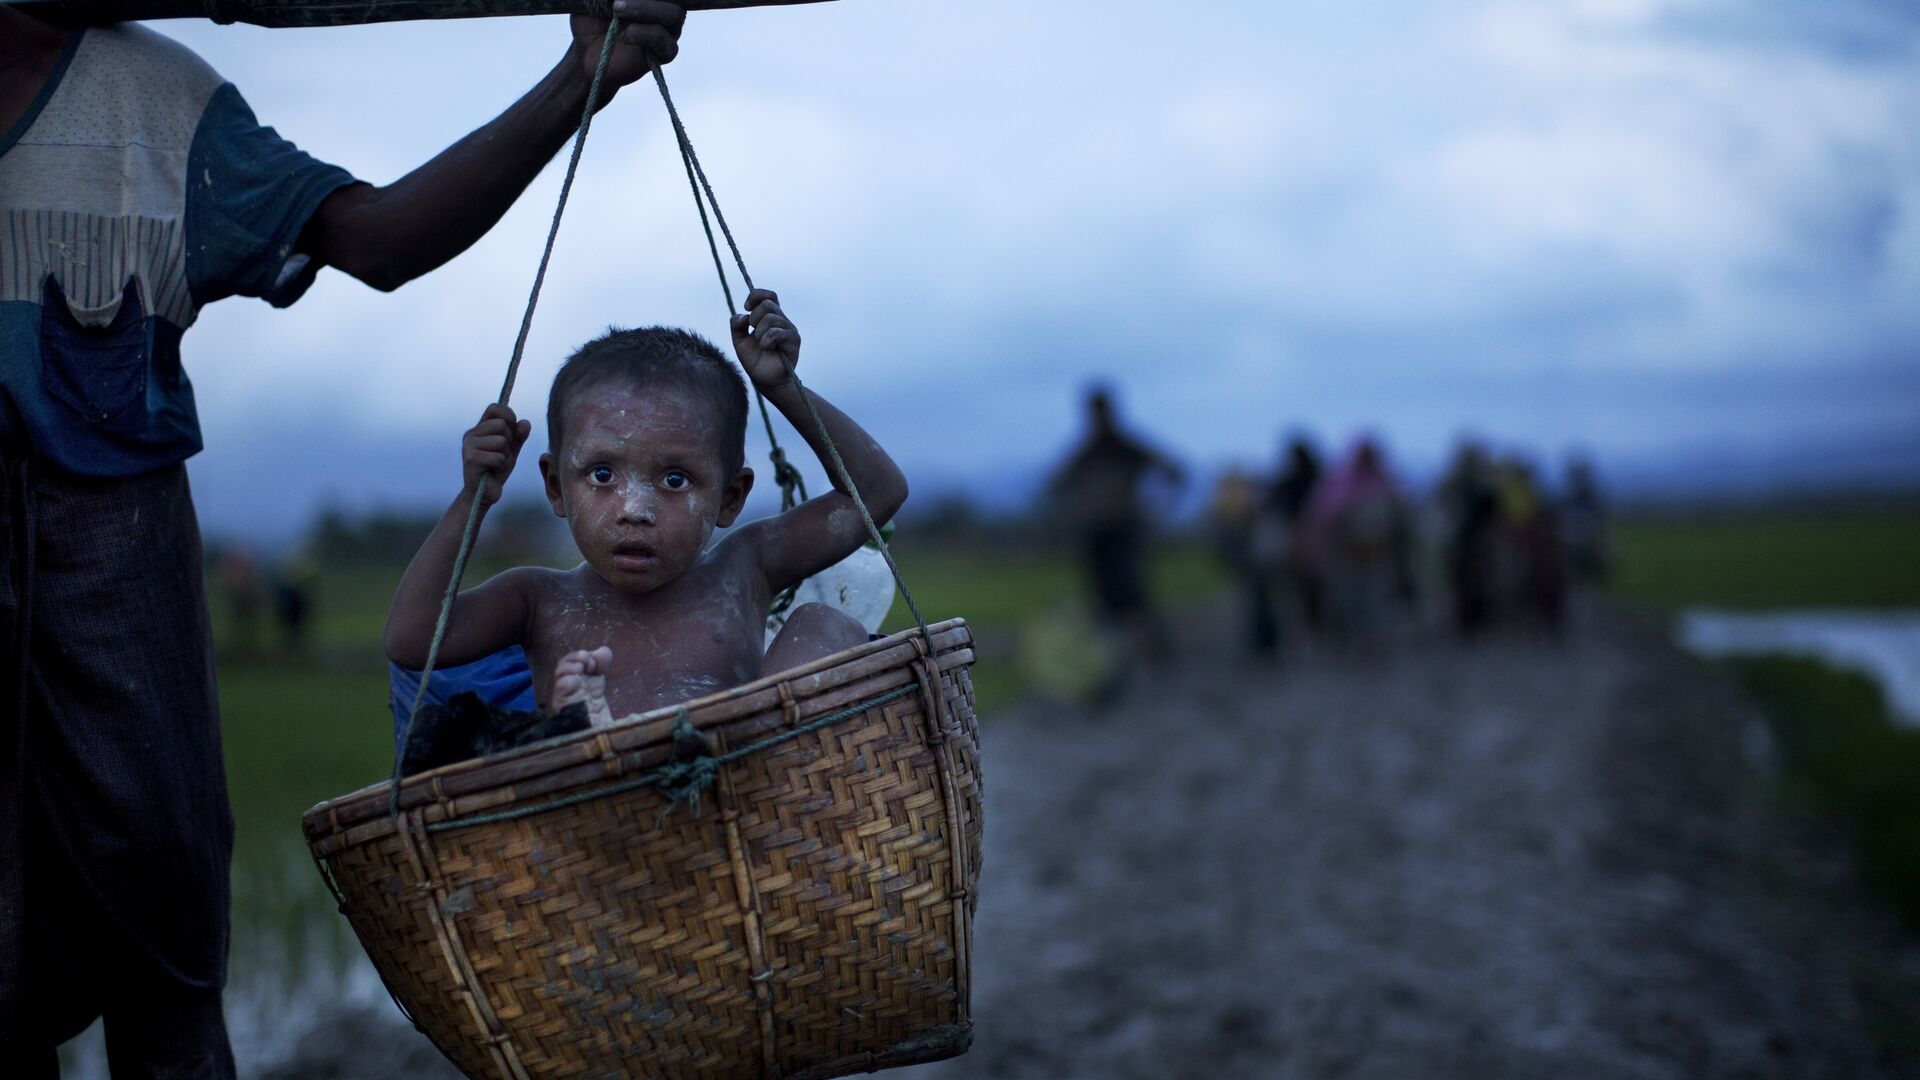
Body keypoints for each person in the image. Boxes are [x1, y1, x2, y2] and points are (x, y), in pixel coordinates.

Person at [0, 4, 689, 1073]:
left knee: (164, 935)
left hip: (113, 580)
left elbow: (378, 240)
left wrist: (581, 77)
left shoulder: (157, 106)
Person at [384, 289, 906, 745]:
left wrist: (783, 388)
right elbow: (411, 641)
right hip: (600, 819)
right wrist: (474, 499)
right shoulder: (538, 600)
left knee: (824, 623)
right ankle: (587, 734)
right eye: (602, 476)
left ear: (730, 497)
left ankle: (765, 744)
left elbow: (877, 493)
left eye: (675, 480)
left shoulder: (745, 568)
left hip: (742, 793)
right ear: (555, 486)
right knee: (555, 732)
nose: (635, 510)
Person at [1046, 386, 1182, 664]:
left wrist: (1159, 512)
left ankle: (1156, 654)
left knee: (1135, 594)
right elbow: (1056, 486)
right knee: (1102, 601)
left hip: (1125, 531)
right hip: (1096, 535)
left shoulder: (1126, 447)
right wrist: (1075, 516)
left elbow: (1175, 473)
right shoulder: (1086, 452)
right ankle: (1111, 660)